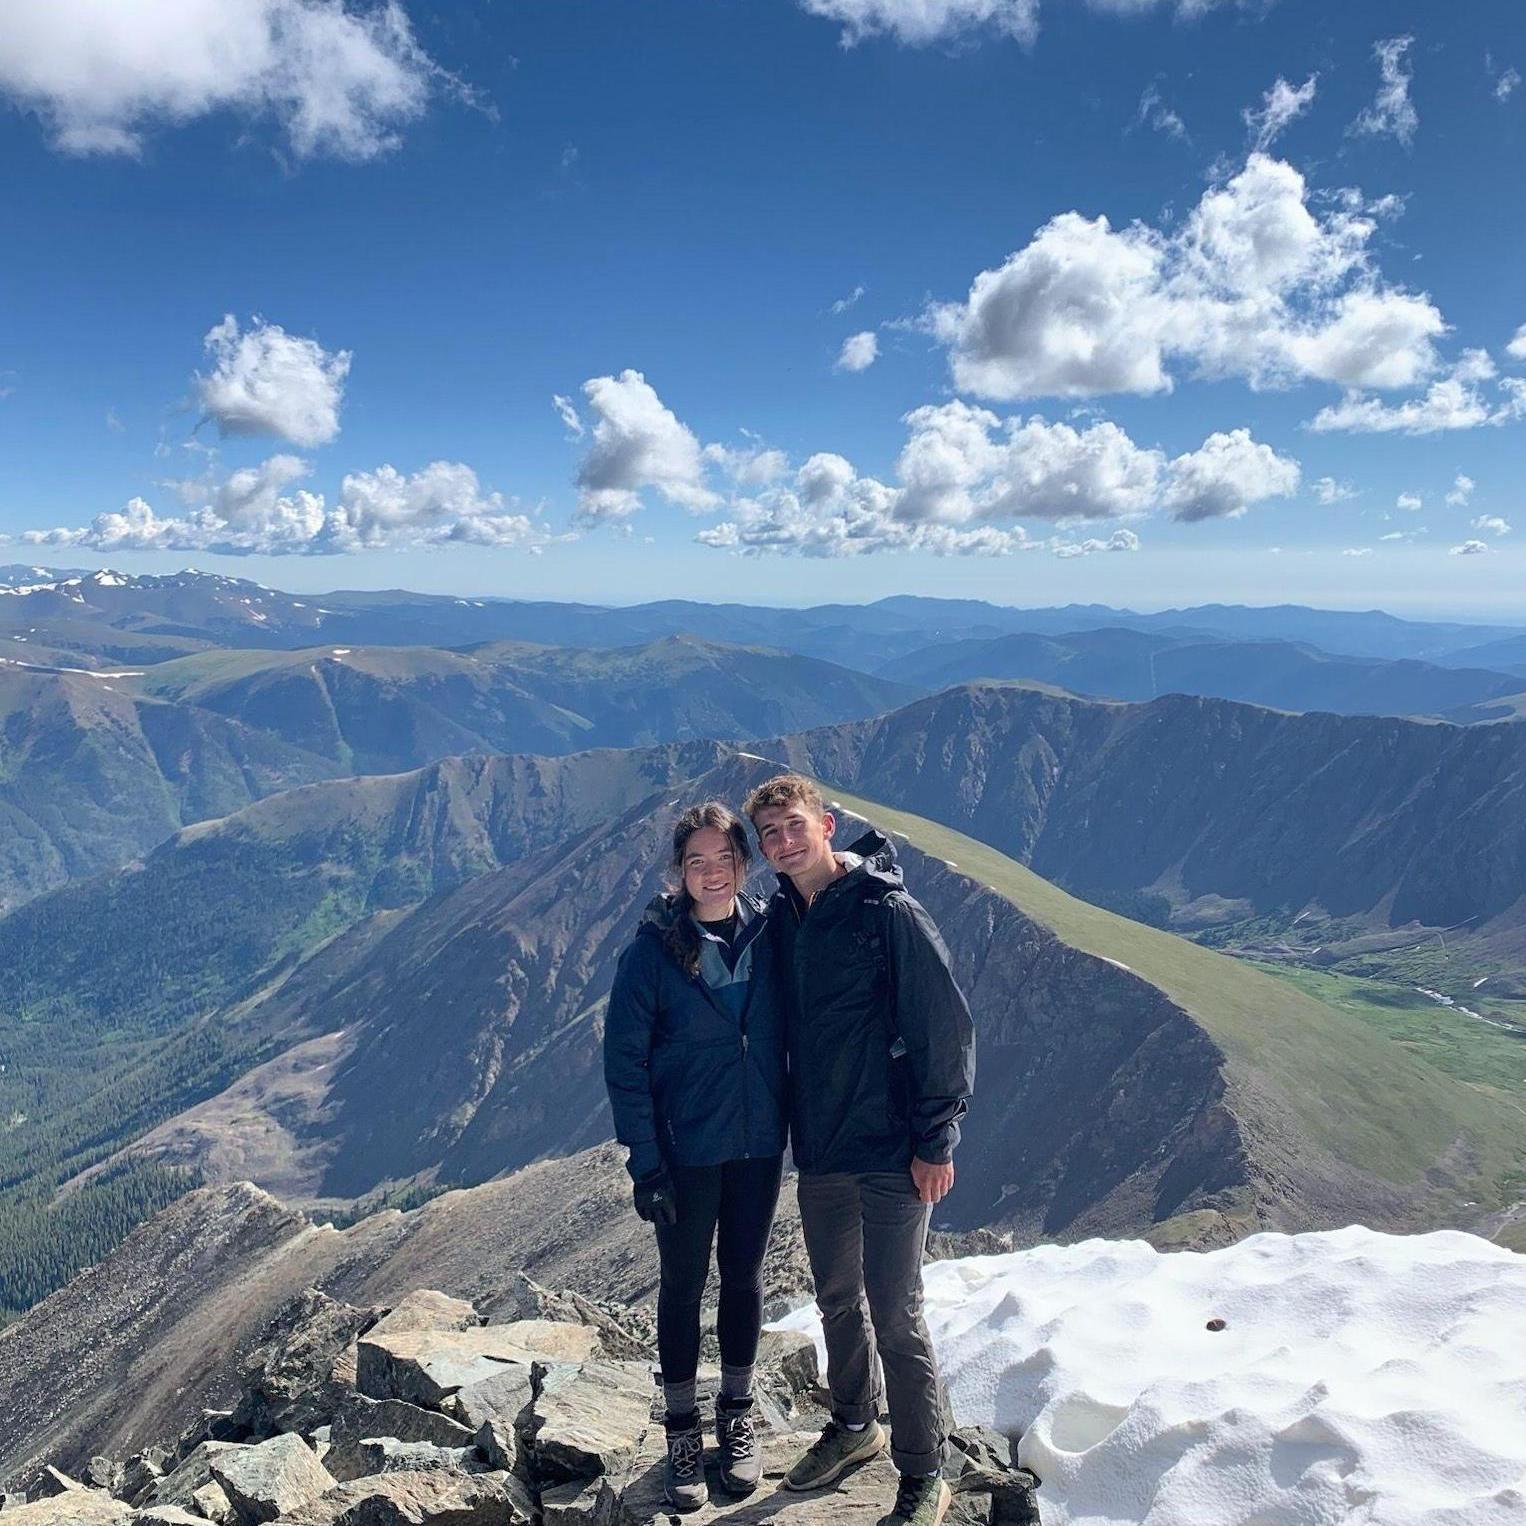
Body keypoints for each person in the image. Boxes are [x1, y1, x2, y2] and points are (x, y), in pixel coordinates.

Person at [744, 773, 976, 1526]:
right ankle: (853, 1428)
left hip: (893, 1150)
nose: (782, 844)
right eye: (770, 835)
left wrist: (937, 1138)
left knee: (896, 1310)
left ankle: (923, 1470)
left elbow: (946, 1027)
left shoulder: (887, 912)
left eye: (792, 827)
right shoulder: (783, 917)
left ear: (828, 824)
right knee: (838, 1299)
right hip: (821, 1149)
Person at [602, 801, 788, 1512]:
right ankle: (681, 1430)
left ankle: (735, 1417)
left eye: (724, 859)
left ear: (746, 865)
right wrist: (646, 1165)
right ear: (677, 873)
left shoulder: (771, 936)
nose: (711, 873)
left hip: (758, 1142)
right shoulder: (652, 952)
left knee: (743, 1275)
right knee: (682, 1287)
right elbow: (624, 1062)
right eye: (695, 861)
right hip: (685, 1151)